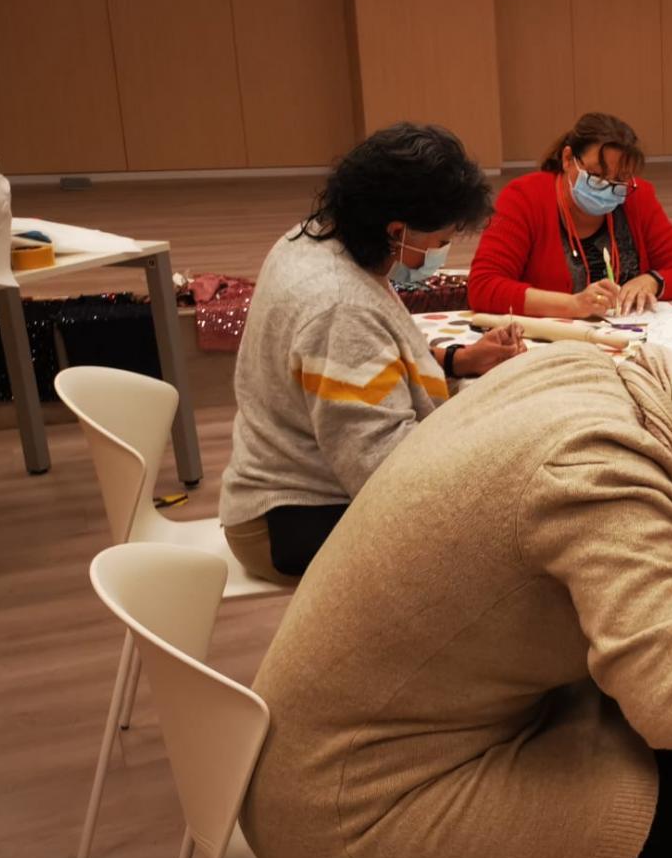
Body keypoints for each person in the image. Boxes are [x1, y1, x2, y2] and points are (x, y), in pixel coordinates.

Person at [242, 334, 672, 858]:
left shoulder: (588, 374)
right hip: (347, 810)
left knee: (640, 732)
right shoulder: (611, 466)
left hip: (305, 745)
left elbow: (524, 516)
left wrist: (655, 547)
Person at [220, 123, 521, 585]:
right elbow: (383, 472)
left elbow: (361, 371)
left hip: (297, 489)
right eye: (439, 242)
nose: (440, 253)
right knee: (510, 545)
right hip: (293, 518)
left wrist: (457, 361)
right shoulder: (339, 305)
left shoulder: (316, 237)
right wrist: (493, 446)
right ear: (397, 230)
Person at [468, 112, 672, 318]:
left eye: (620, 179)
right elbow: (483, 286)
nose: (608, 186)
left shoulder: (638, 196)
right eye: (597, 174)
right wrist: (571, 305)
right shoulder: (524, 197)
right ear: (568, 159)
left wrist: (652, 280)